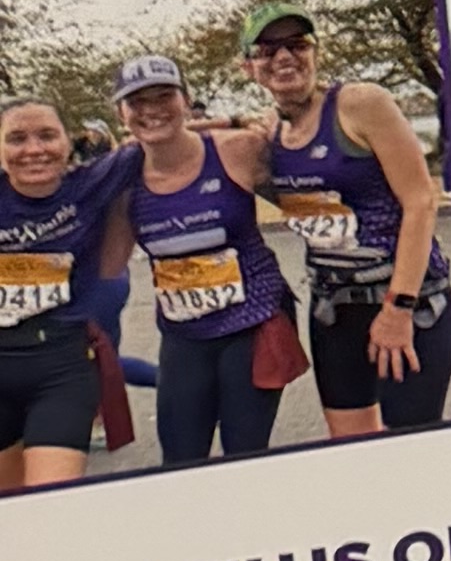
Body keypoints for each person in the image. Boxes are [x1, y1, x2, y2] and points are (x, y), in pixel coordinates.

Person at [232, 1, 451, 437]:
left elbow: (420, 202)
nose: (284, 57)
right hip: (334, 311)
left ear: (315, 52)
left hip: (409, 303)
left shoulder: (359, 104)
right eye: (267, 50)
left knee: (412, 449)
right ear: (249, 67)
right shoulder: (270, 133)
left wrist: (398, 309)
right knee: (352, 447)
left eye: (297, 44)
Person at [96, 51, 290, 469]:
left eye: (164, 96)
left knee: (246, 455)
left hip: (251, 322)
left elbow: (307, 197)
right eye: (137, 102)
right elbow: (109, 266)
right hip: (184, 335)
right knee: (180, 460)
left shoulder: (236, 150)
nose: (152, 110)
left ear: (185, 99)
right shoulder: (124, 180)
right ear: (120, 113)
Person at [0, 93, 113, 482]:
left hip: (61, 369)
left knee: (51, 504)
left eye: (47, 135)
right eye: (16, 139)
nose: (34, 150)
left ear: (69, 140)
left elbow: (160, 138)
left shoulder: (93, 182)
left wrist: (233, 122)